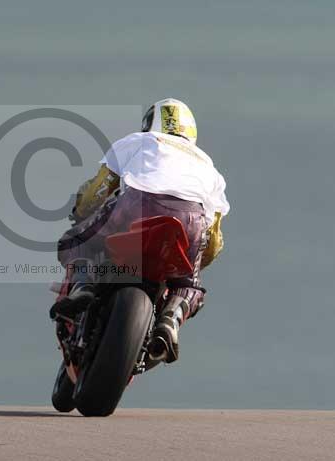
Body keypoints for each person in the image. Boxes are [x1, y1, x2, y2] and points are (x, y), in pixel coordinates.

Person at [50, 98, 230, 363]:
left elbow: (97, 192)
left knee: (76, 241)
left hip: (136, 206)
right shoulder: (209, 167)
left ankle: (84, 287)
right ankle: (171, 320)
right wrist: (190, 266)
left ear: (150, 123)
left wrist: (80, 212)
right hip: (192, 222)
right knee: (189, 285)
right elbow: (212, 241)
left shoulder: (137, 141)